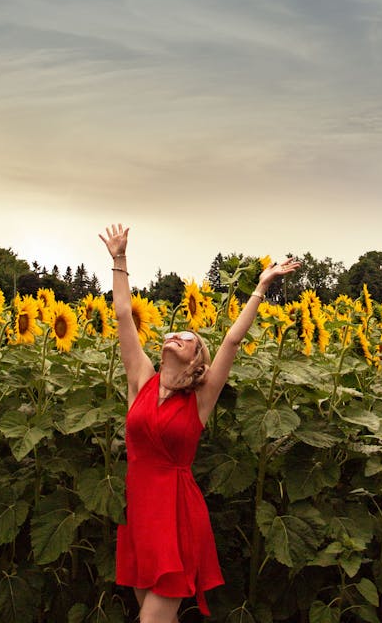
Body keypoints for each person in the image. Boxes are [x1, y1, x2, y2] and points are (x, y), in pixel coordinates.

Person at [99, 222, 301, 623]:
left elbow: (231, 341)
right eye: (172, 332)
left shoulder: (200, 398)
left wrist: (261, 287)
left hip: (175, 514)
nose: (175, 334)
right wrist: (119, 258)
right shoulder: (140, 378)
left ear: (197, 358)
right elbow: (124, 314)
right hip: (139, 511)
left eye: (187, 336)